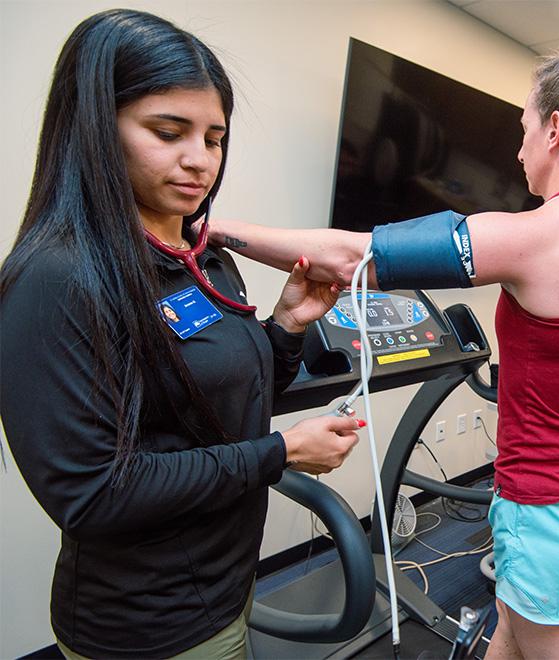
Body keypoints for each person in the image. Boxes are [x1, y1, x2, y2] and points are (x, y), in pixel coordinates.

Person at [202, 20, 559, 660]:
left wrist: (215, 229)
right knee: (512, 630)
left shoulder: (548, 231)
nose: (519, 149)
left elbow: (349, 255)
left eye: (524, 129)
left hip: (553, 504)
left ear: (554, 130)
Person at [0, 9, 364, 659]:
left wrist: (285, 328)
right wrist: (281, 454)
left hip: (227, 582)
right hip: (151, 623)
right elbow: (94, 495)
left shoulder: (199, 254)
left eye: (215, 138)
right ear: (94, 128)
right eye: (168, 133)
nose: (199, 161)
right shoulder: (58, 278)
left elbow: (216, 405)